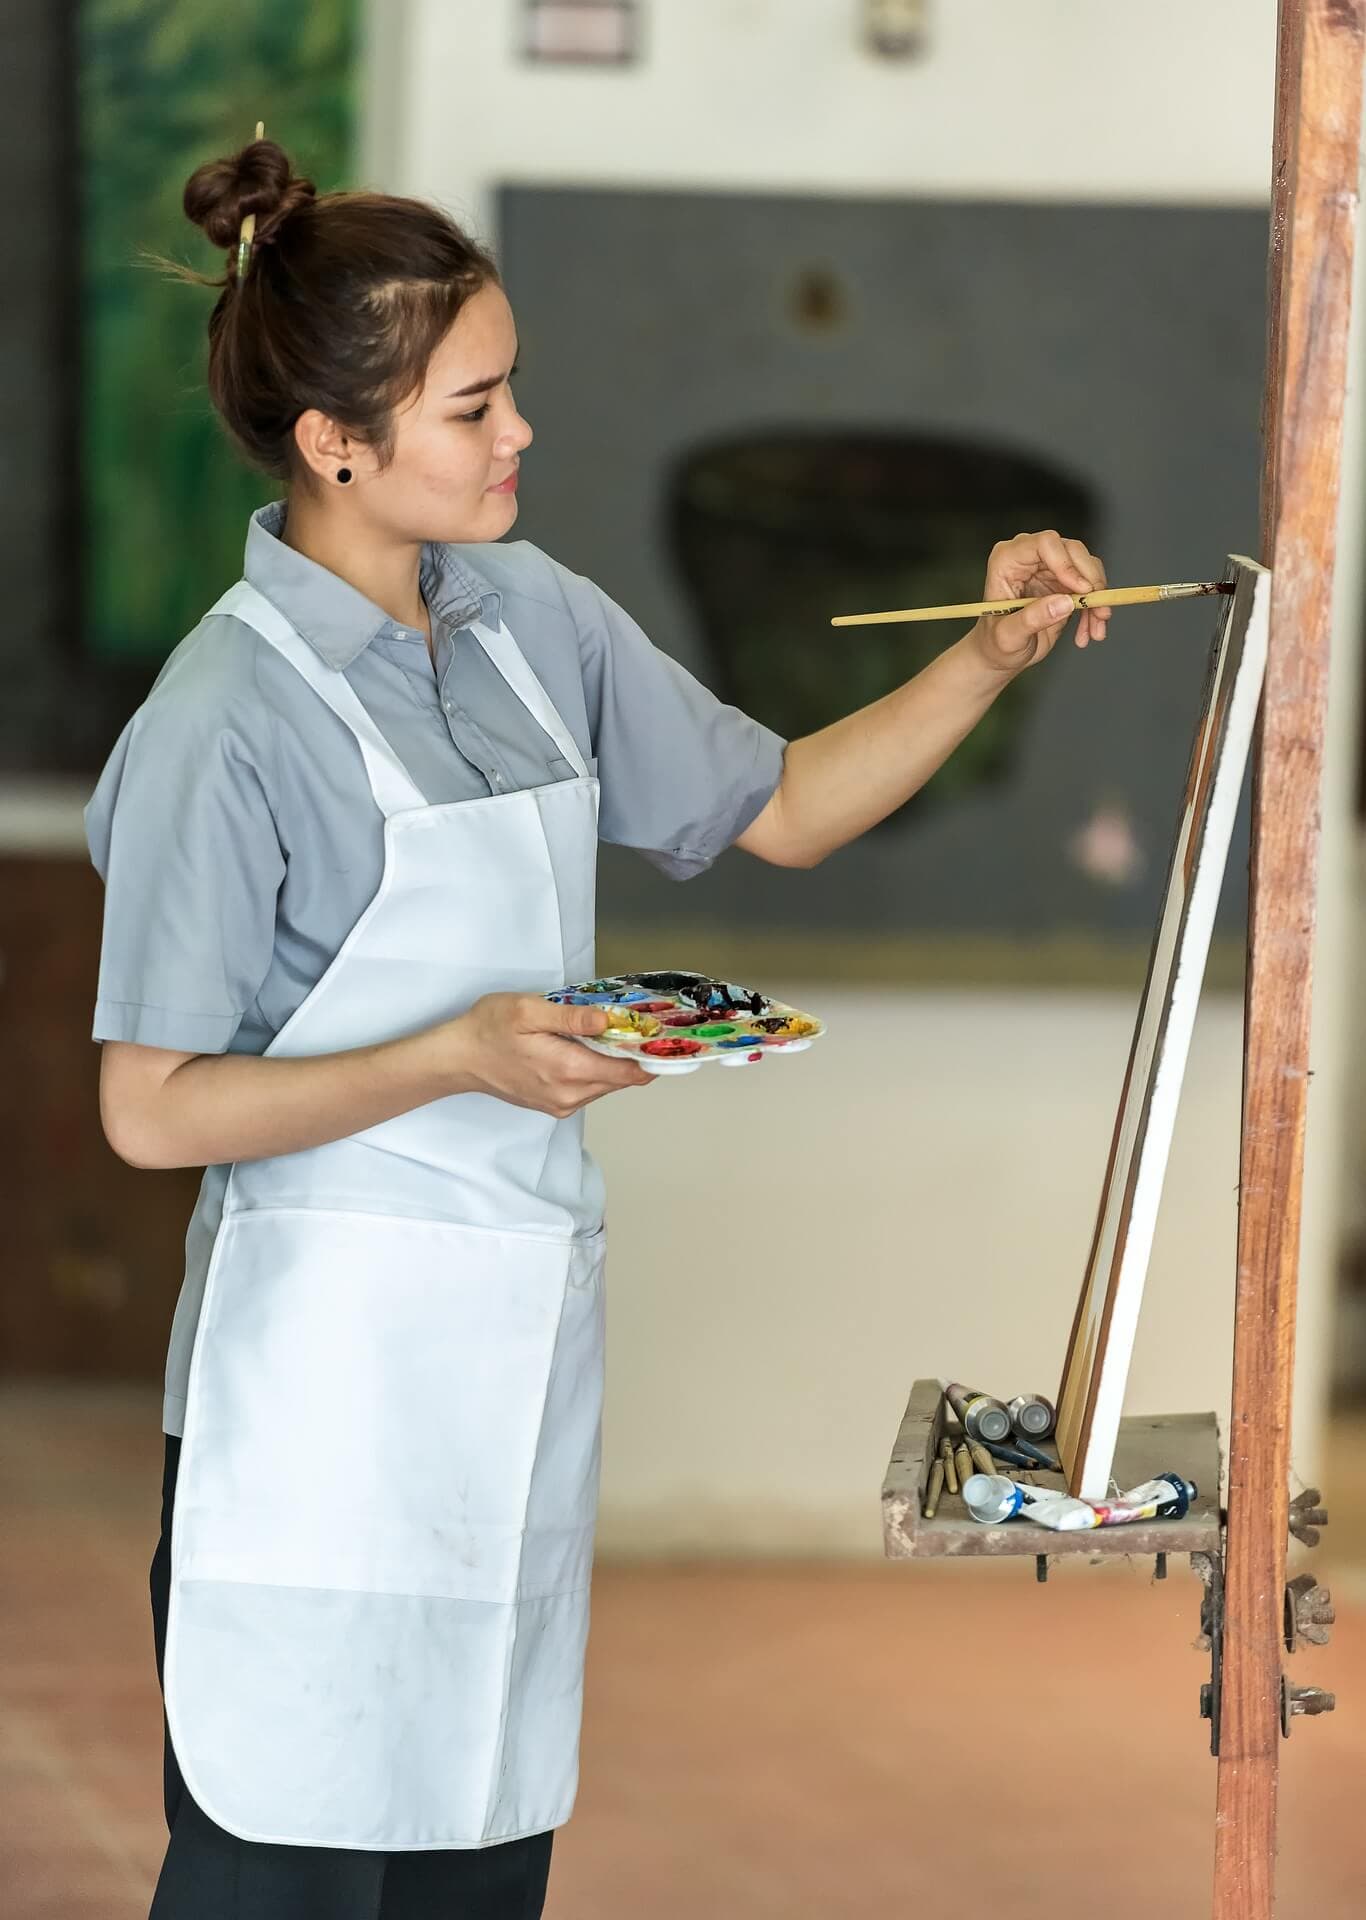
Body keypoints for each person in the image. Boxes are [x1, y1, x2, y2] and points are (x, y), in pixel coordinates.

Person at [85, 136, 1110, 1920]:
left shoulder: (529, 619)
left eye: (514, 394)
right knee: (290, 1864)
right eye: (475, 406)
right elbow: (152, 1112)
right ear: (338, 443)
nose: (518, 438)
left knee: (481, 1859)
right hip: (313, 1412)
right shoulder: (223, 719)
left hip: (504, 1376)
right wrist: (455, 1056)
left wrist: (986, 656)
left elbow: (776, 805)